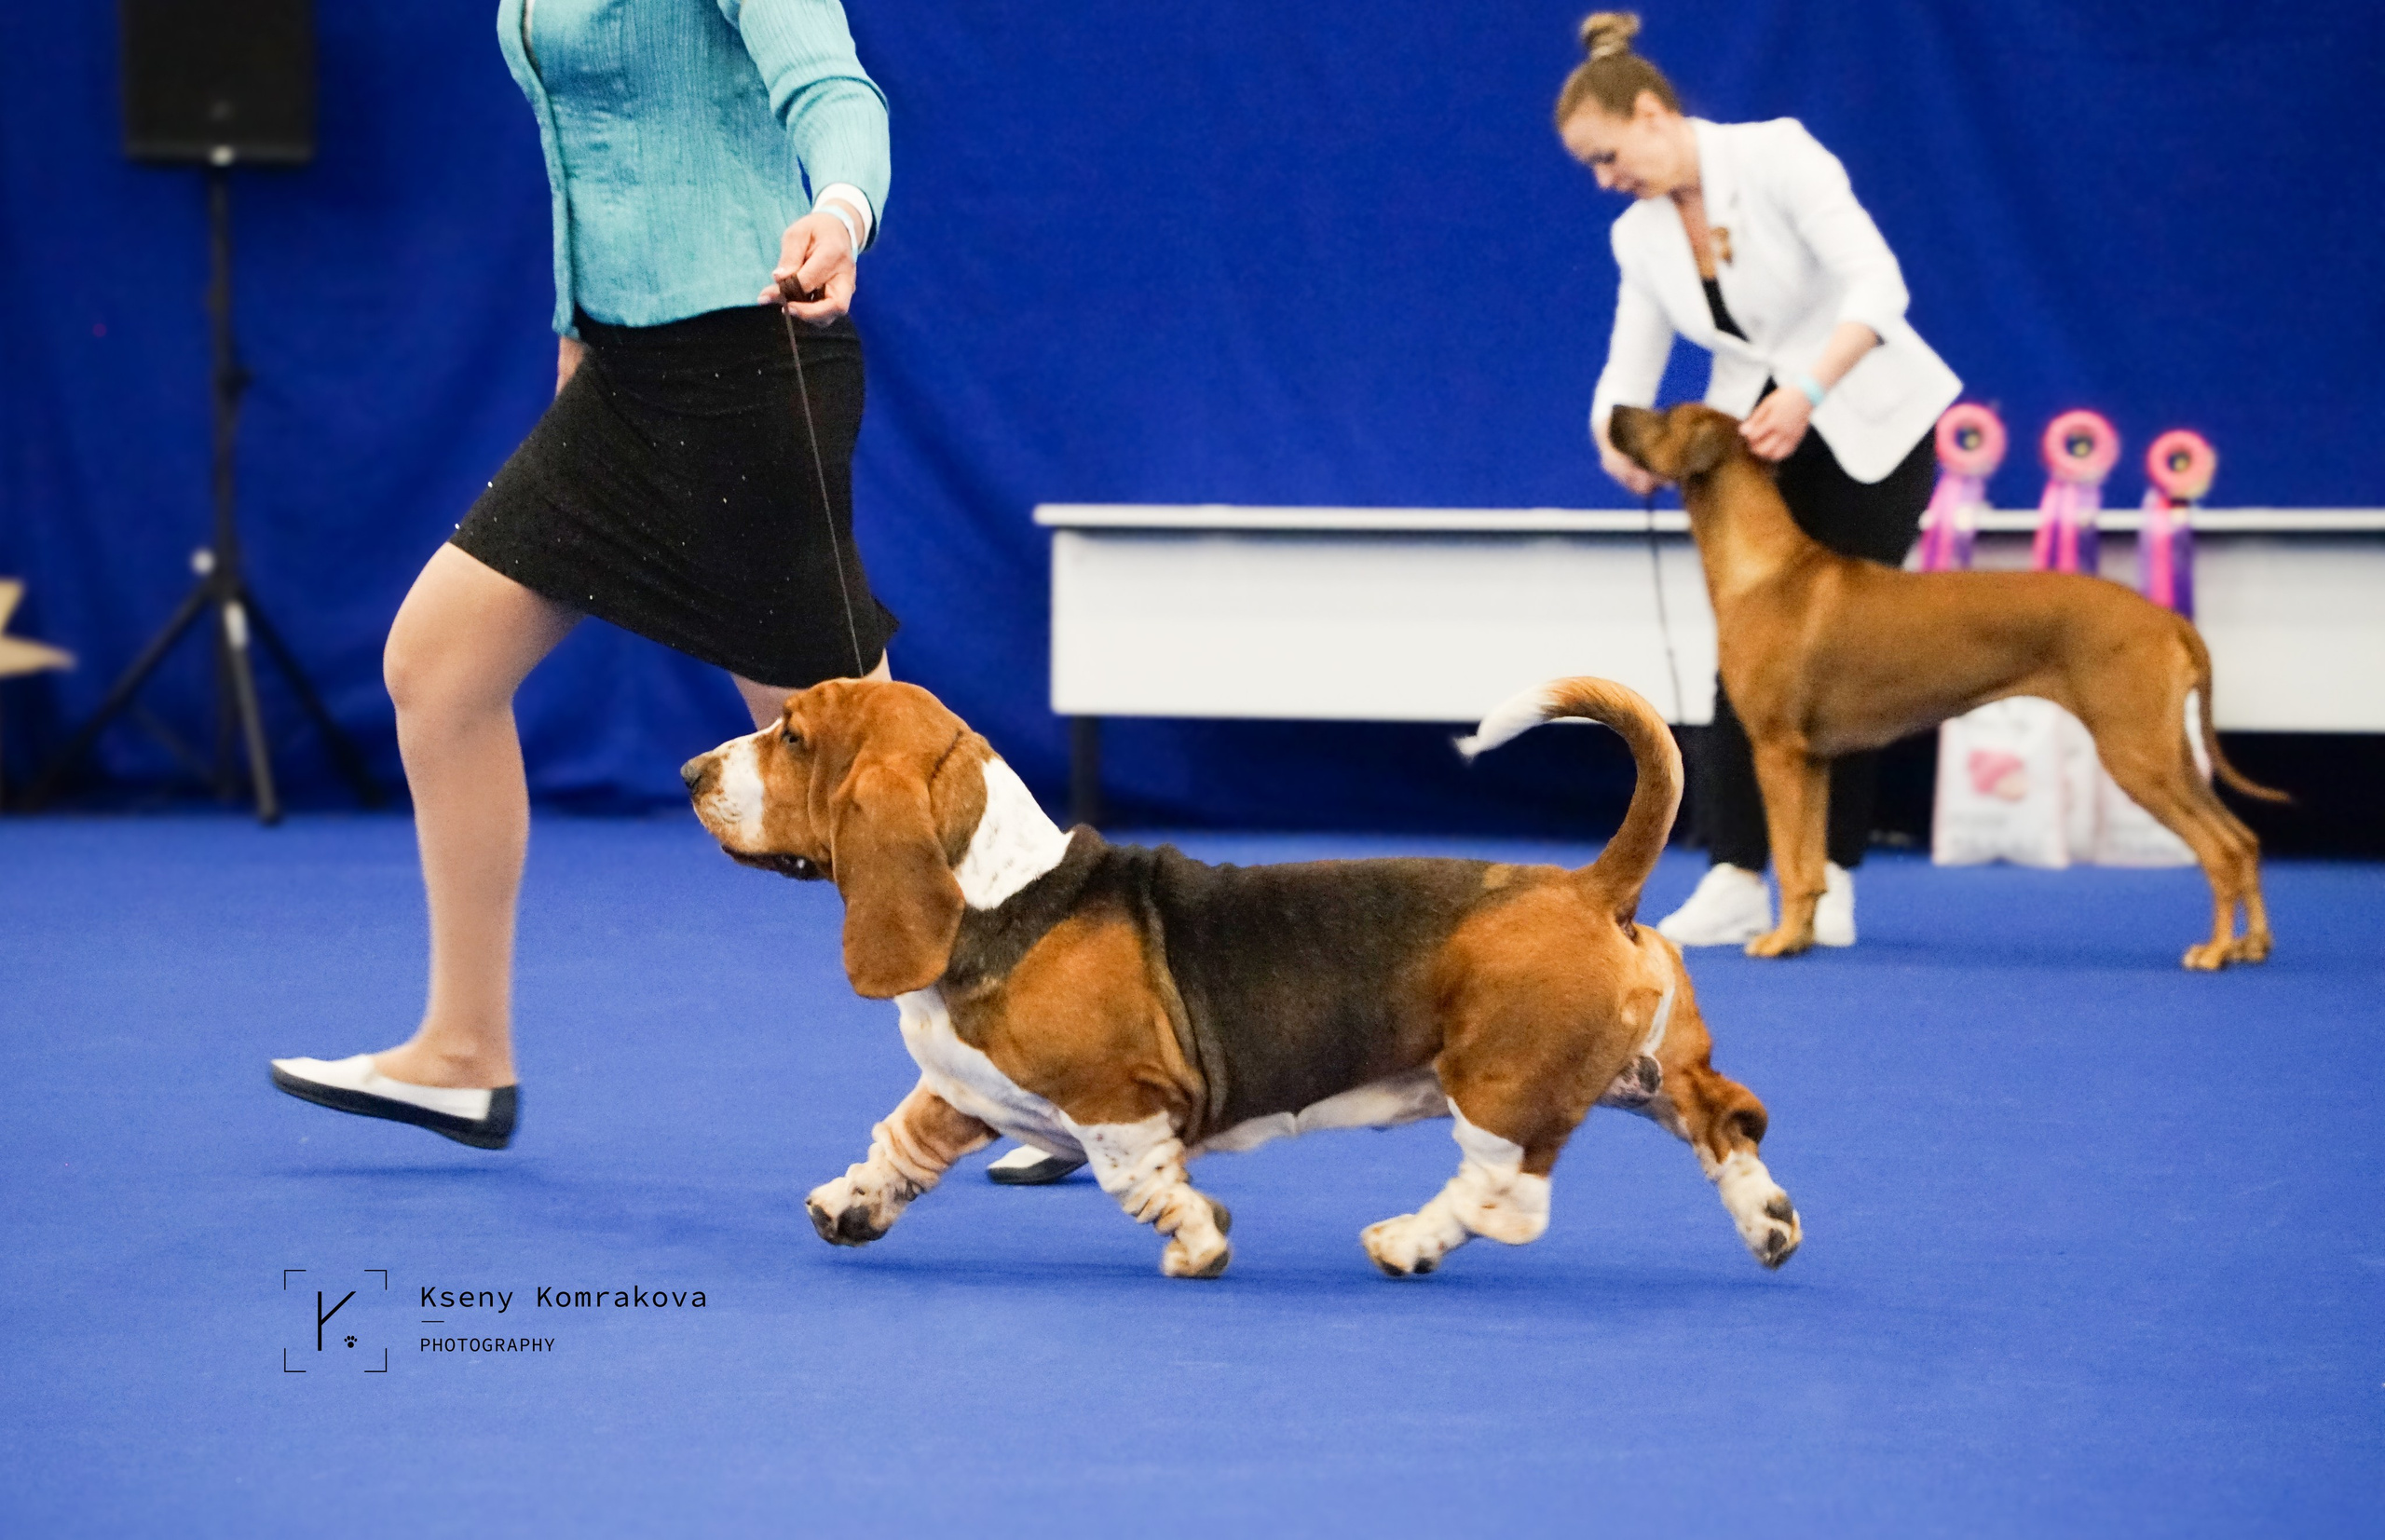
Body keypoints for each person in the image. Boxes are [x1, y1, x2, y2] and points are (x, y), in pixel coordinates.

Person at [269, 0, 901, 1149]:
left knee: (856, 761)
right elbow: (583, 156)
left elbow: (835, 91)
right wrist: (576, 339)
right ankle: (461, 1052)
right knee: (436, 669)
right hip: (617, 377)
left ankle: (1064, 1047)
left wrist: (841, 213)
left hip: (745, 363)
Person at [1557, 11, 1959, 948]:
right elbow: (1628, 366)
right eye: (1592, 167)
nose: (1605, 181)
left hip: (1865, 419)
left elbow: (1877, 287)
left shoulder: (1778, 157)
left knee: (1852, 653)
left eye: (1609, 156)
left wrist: (1811, 388)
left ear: (1653, 115)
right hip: (1753, 446)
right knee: (1747, 655)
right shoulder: (1639, 237)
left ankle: (1832, 880)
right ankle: (1738, 869)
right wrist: (1611, 438)